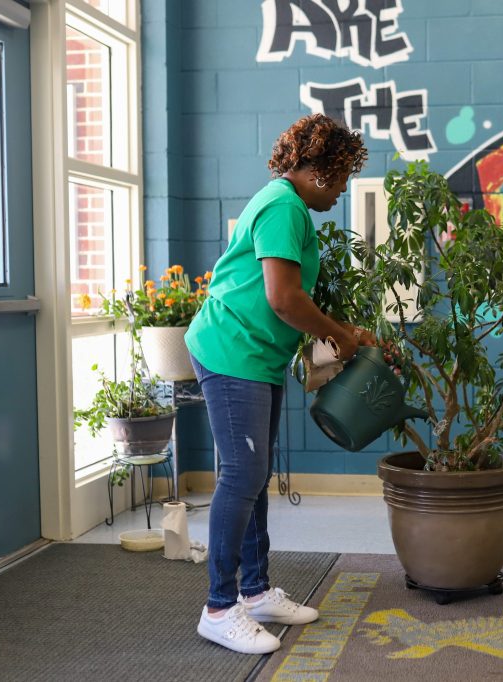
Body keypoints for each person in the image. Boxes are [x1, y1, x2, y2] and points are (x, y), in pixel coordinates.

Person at [185, 113, 373, 654]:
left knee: (253, 474)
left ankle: (255, 591)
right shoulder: (283, 207)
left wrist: (340, 331)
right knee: (241, 474)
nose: (341, 191)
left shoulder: (286, 207)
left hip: (256, 356)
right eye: (340, 179)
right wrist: (338, 337)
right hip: (231, 352)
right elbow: (282, 298)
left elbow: (291, 299)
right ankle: (219, 609)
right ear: (318, 170)